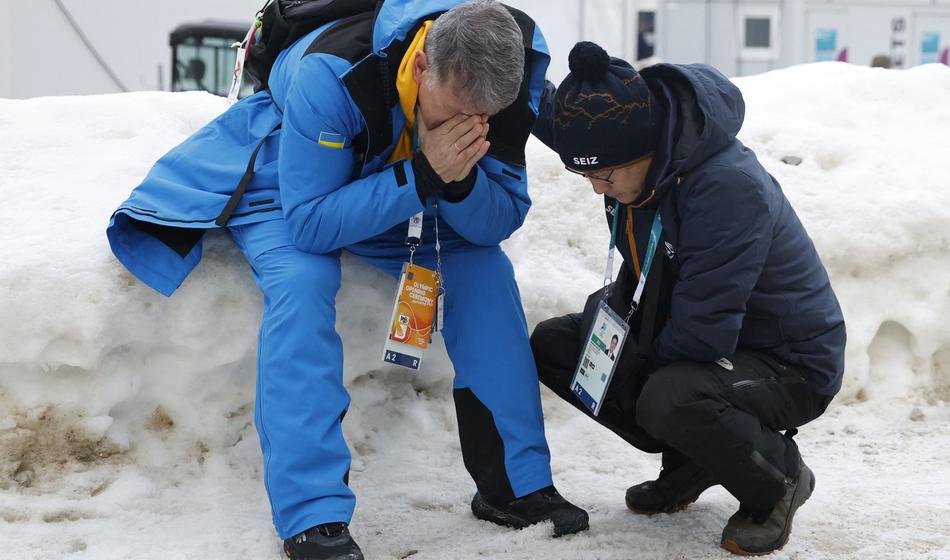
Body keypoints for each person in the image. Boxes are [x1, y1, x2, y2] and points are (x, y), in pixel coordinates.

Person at [106, 2, 588, 558]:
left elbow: (498, 219)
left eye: (482, 119)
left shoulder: (503, 77)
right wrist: (424, 172)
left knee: (485, 271)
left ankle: (516, 485)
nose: (468, 127)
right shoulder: (331, 73)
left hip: (407, 185)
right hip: (290, 181)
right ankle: (312, 516)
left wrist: (455, 184)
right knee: (303, 284)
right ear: (424, 63)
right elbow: (309, 223)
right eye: (454, 111)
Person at [531, 42, 846, 556]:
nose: (597, 191)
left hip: (786, 361)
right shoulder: (633, 152)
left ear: (649, 149)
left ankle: (777, 481)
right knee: (557, 346)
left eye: (605, 175)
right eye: (586, 176)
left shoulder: (726, 188)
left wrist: (630, 367)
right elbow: (559, 119)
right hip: (701, 341)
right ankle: (695, 459)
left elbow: (704, 331)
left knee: (666, 395)